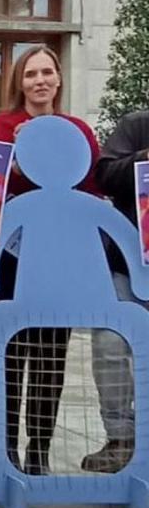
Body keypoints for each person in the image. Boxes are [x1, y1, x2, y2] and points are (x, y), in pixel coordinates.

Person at [0, 45, 100, 474]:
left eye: (47, 72)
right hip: (13, 255)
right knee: (11, 354)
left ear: (58, 78)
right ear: (20, 82)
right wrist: (17, 155)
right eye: (31, 73)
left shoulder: (77, 128)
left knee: (52, 357)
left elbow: (90, 185)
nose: (40, 80)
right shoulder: (4, 125)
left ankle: (39, 452)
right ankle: (7, 449)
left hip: (62, 255)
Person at [85, 109, 148, 473]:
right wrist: (143, 158)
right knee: (109, 346)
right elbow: (104, 175)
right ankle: (120, 439)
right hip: (126, 264)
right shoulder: (137, 124)